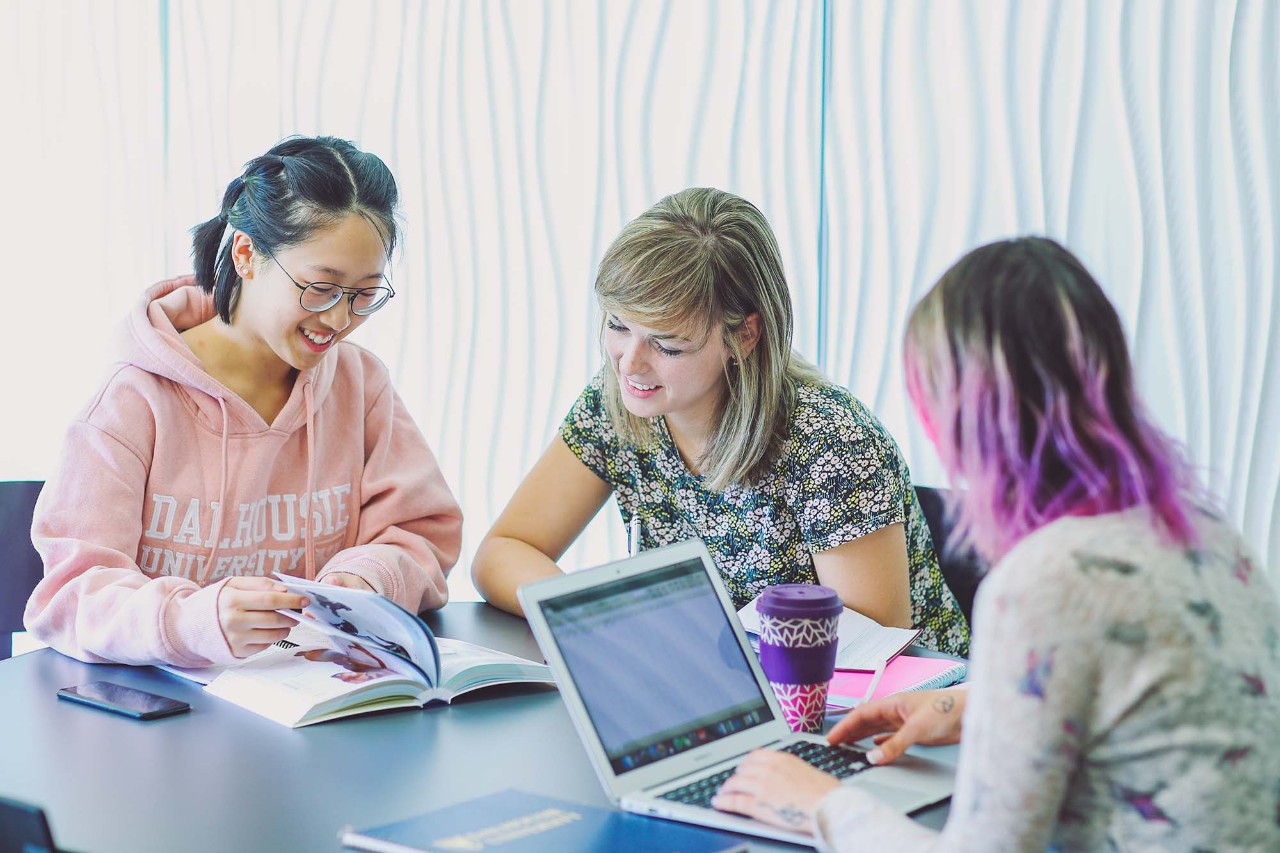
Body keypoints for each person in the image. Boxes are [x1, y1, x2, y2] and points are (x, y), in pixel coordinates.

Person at [712, 237, 1280, 849]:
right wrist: (970, 706)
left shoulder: (1049, 579)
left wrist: (820, 803)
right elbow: (1143, 709)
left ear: (961, 416)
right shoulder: (1202, 529)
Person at [472, 187, 969, 657]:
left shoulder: (831, 441)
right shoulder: (618, 405)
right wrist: (605, 615)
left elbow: (872, 653)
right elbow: (503, 551)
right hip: (718, 693)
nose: (629, 363)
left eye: (667, 344)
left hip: (905, 723)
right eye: (618, 326)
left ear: (744, 336)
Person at [25, 136, 463, 668]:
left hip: (313, 703)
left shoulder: (359, 384)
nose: (340, 319)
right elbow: (71, 595)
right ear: (246, 254)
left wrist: (366, 578)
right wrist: (190, 621)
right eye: (320, 288)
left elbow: (419, 531)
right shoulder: (132, 400)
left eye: (365, 294)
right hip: (164, 721)